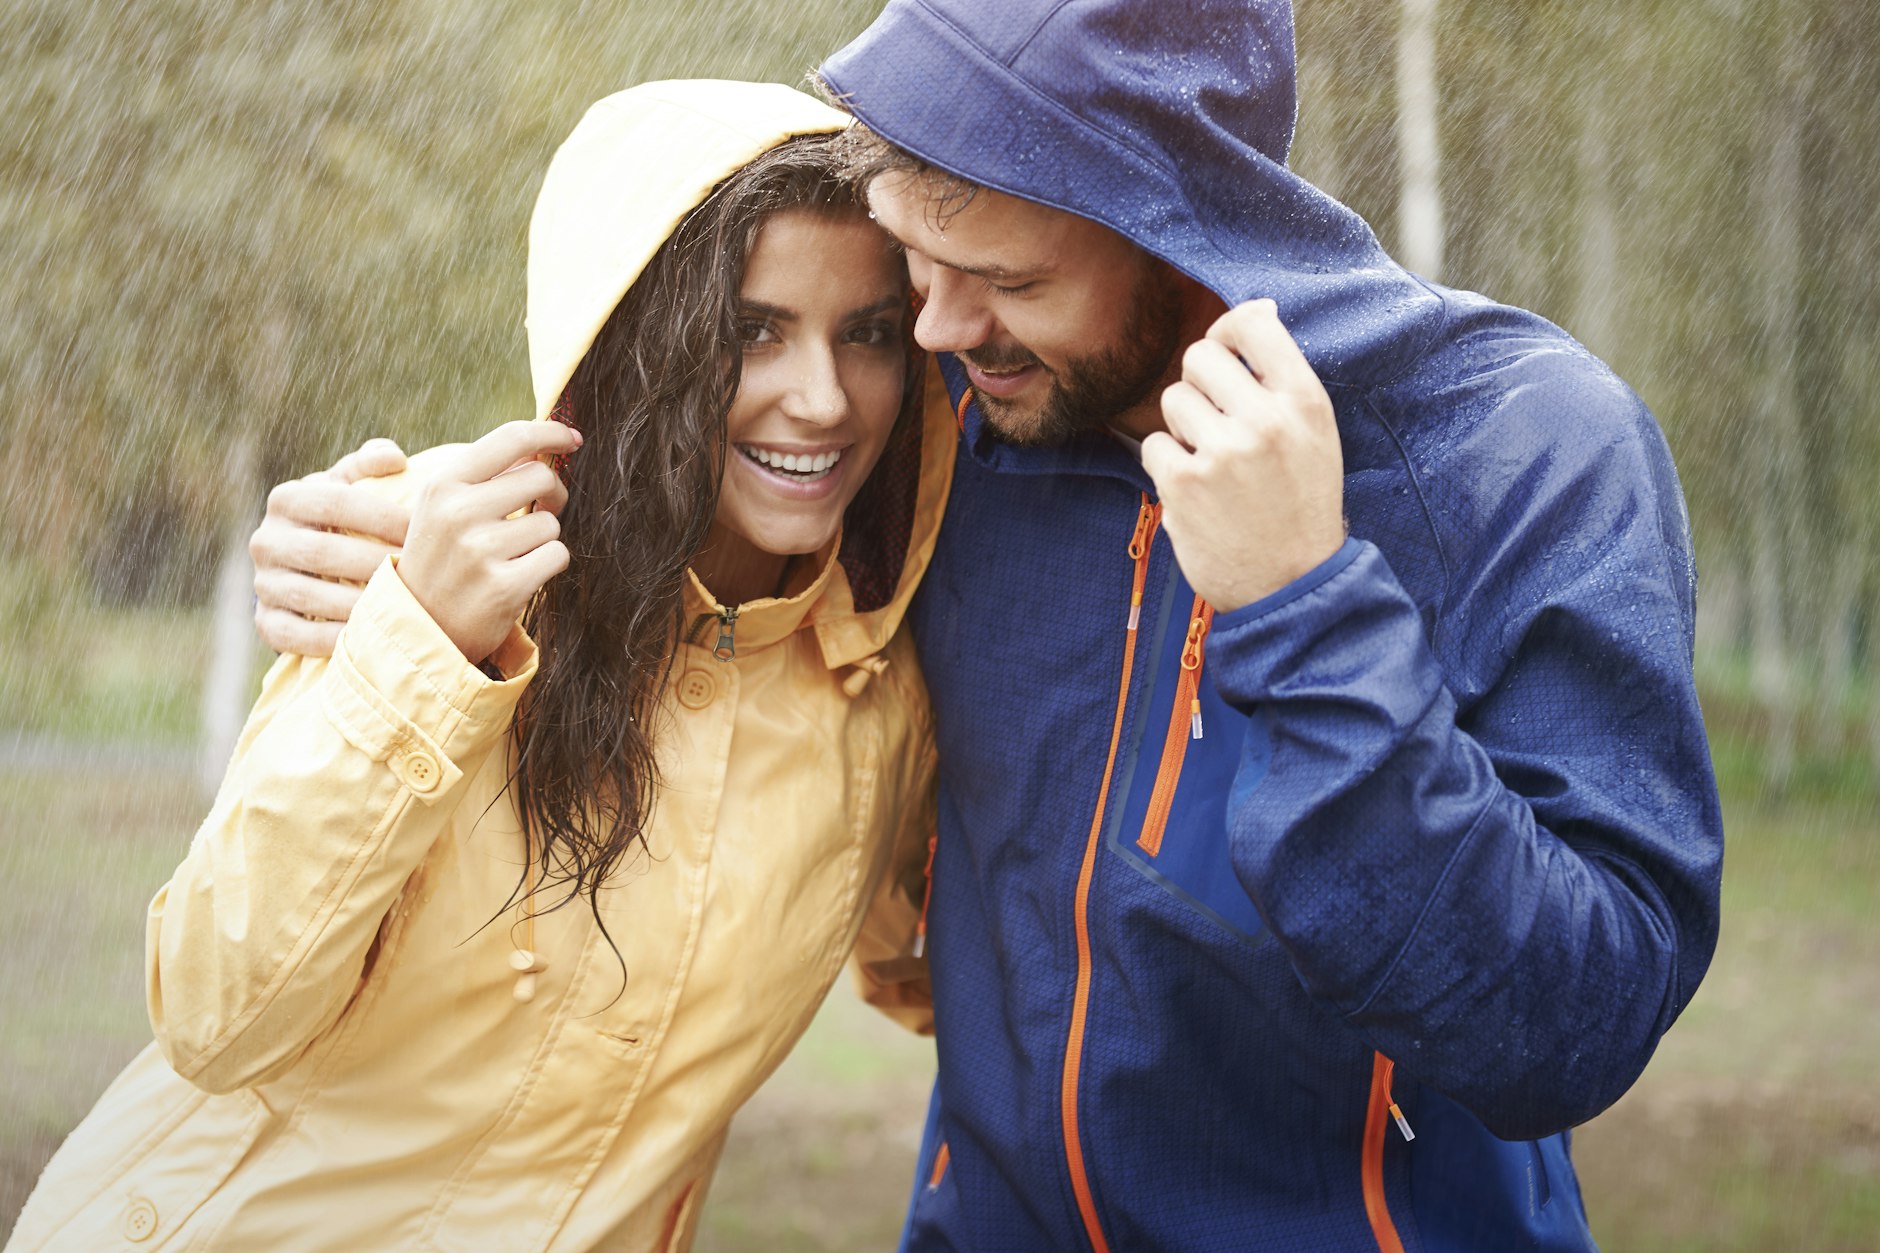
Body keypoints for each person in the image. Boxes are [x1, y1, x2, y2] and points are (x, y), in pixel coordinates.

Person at [253, 2, 1725, 1249]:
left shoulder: (1530, 453)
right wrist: (399, 529)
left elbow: (1574, 1021)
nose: (941, 333)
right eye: (915, 273)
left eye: (1008, 282)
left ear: (1185, 224)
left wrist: (1305, 601)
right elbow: (702, 468)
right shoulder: (961, 413)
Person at [7, 79, 952, 1253]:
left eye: (865, 332)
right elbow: (213, 1012)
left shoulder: (884, 700)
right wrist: (418, 649)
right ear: (637, 340)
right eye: (751, 330)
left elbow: (933, 968)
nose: (820, 398)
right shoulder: (423, 573)